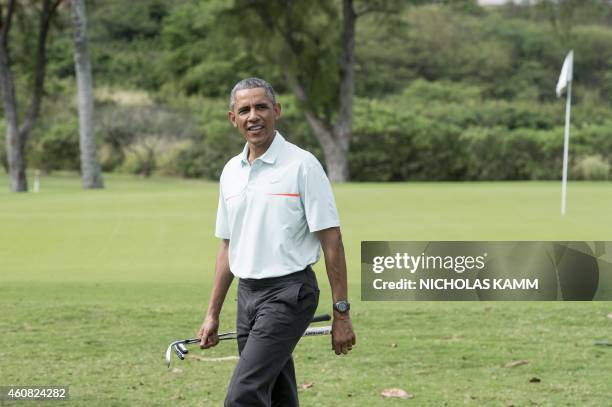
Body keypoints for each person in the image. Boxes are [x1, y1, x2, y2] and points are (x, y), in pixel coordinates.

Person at [197, 77, 356, 407]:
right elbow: (227, 247)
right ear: (233, 118)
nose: (253, 116)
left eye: (261, 107)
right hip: (248, 296)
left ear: (276, 111)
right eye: (244, 110)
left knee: (243, 395)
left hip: (289, 294)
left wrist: (342, 312)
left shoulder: (302, 165)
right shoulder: (231, 172)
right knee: (278, 392)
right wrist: (212, 313)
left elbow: (332, 241)